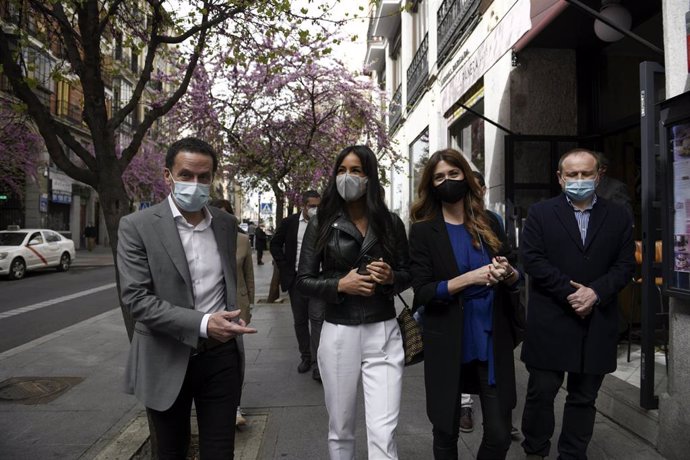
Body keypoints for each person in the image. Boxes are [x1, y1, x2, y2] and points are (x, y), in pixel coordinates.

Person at [117, 137, 257, 459]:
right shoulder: (137, 226)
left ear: (212, 178)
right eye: (186, 175)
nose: (195, 184)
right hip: (164, 354)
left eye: (203, 177)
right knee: (170, 452)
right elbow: (137, 299)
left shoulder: (225, 224)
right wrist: (205, 323)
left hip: (220, 358)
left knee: (220, 452)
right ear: (168, 176)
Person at [296, 145, 411, 459]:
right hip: (338, 331)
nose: (347, 177)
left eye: (356, 170)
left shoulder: (391, 223)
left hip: (383, 330)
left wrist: (390, 277)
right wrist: (340, 284)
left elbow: (407, 272)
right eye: (341, 170)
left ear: (369, 177)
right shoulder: (321, 223)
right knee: (341, 428)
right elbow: (303, 280)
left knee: (383, 431)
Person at [520, 148, 635, 460]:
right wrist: (572, 293)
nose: (579, 180)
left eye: (586, 174)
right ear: (560, 178)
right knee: (541, 393)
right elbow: (532, 259)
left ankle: (572, 454)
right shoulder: (541, 214)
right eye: (572, 174)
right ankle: (535, 450)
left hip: (597, 323)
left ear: (598, 176)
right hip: (551, 320)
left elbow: (625, 265)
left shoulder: (618, 216)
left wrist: (595, 293)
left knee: (584, 397)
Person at [408, 149, 522, 460]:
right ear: (431, 185)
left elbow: (513, 267)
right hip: (447, 340)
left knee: (499, 435)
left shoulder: (490, 224)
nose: (447, 181)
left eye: (453, 174)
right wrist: (469, 278)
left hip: (490, 340)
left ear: (466, 178)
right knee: (446, 431)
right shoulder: (423, 231)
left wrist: (508, 273)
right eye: (439, 177)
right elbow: (423, 291)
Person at [269, 190, 324, 380]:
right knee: (300, 321)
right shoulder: (290, 223)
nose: (316, 209)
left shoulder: (325, 222)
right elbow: (274, 244)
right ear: (304, 206)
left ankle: (318, 363)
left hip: (318, 280)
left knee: (317, 320)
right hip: (297, 281)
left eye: (319, 206)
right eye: (312, 206)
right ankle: (306, 357)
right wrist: (285, 267)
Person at [209, 199, 255, 427]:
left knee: (236, 357)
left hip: (236, 307)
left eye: (225, 214)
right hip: (207, 310)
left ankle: (235, 407)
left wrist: (249, 306)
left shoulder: (242, 241)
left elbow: (248, 277)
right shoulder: (201, 239)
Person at [595, 152, 633, 218]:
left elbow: (626, 216)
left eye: (594, 167)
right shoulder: (580, 186)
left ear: (603, 169)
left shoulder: (616, 188)